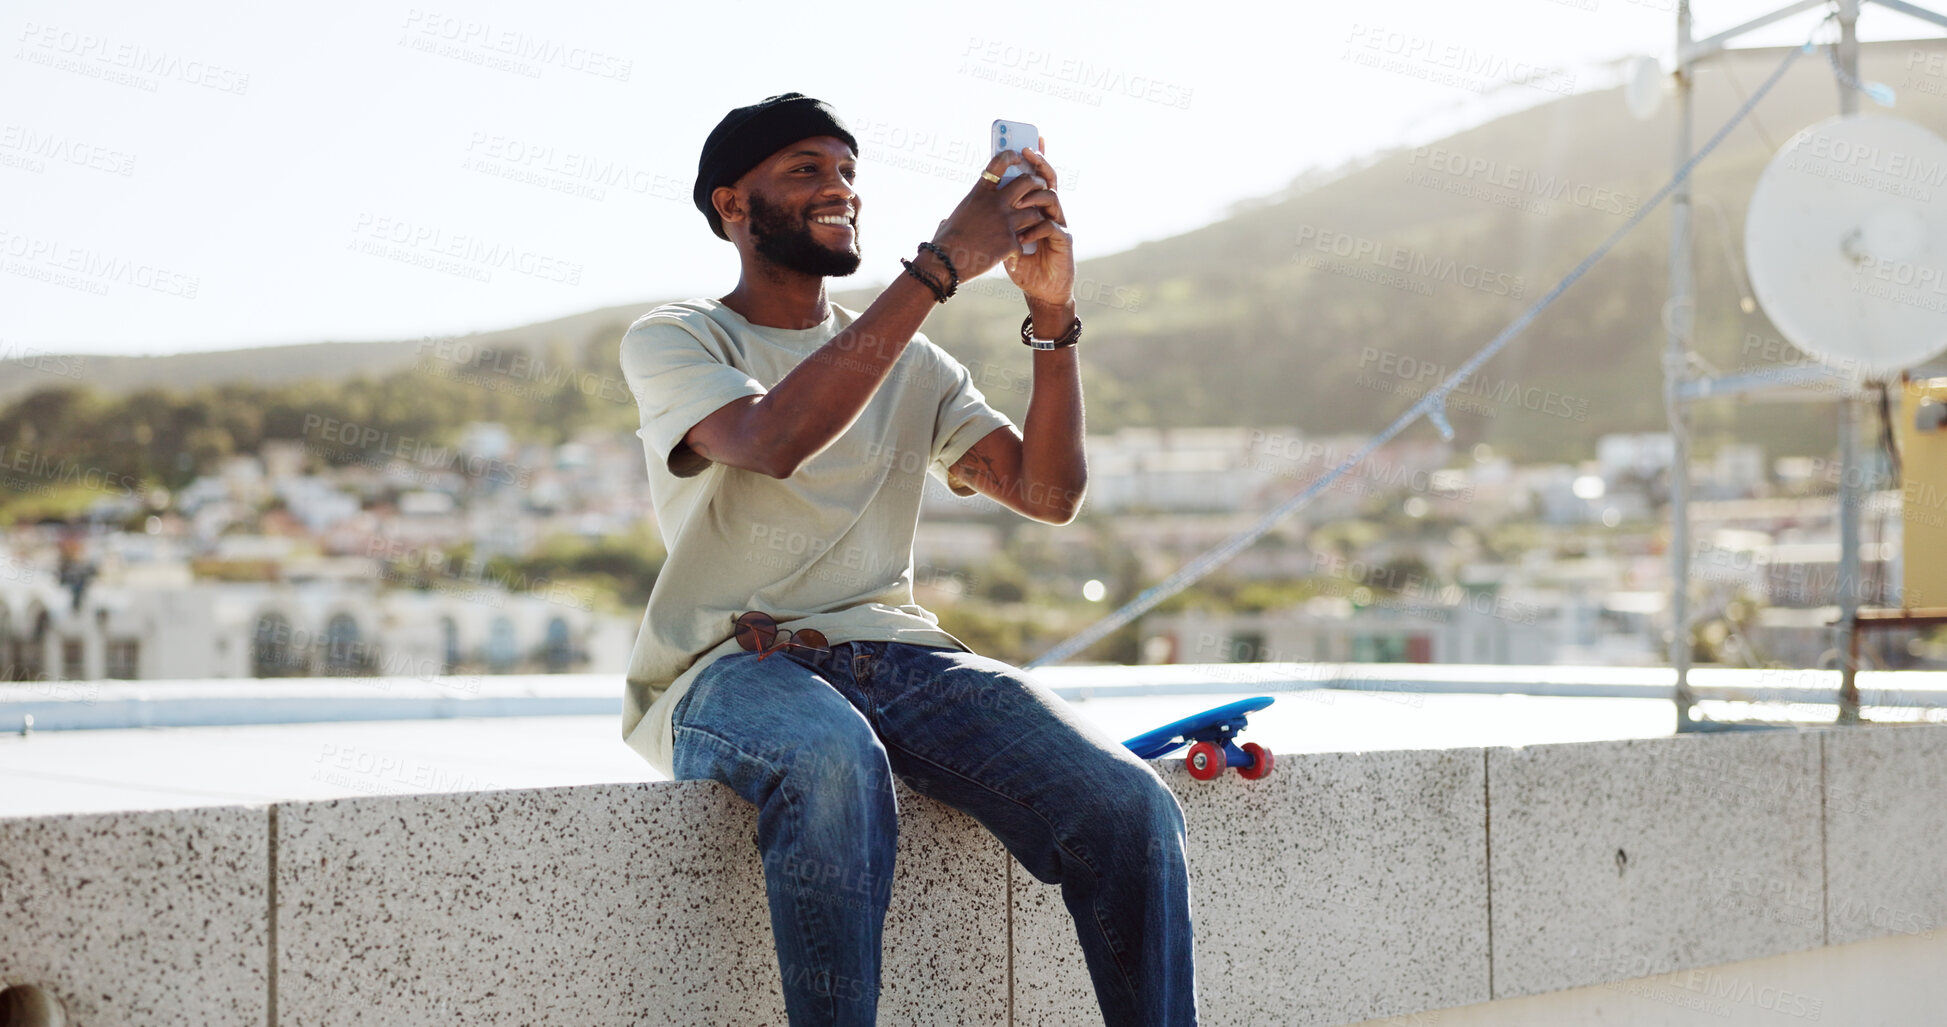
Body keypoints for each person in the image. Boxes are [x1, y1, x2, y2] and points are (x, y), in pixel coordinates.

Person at [618, 92, 1196, 1027]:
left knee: (1126, 803)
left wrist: (1051, 315)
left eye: (847, 171)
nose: (839, 187)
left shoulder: (913, 363)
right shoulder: (680, 336)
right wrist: (935, 268)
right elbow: (772, 439)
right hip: (732, 666)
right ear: (732, 204)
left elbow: (1047, 495)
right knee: (832, 760)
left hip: (898, 657)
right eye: (805, 169)